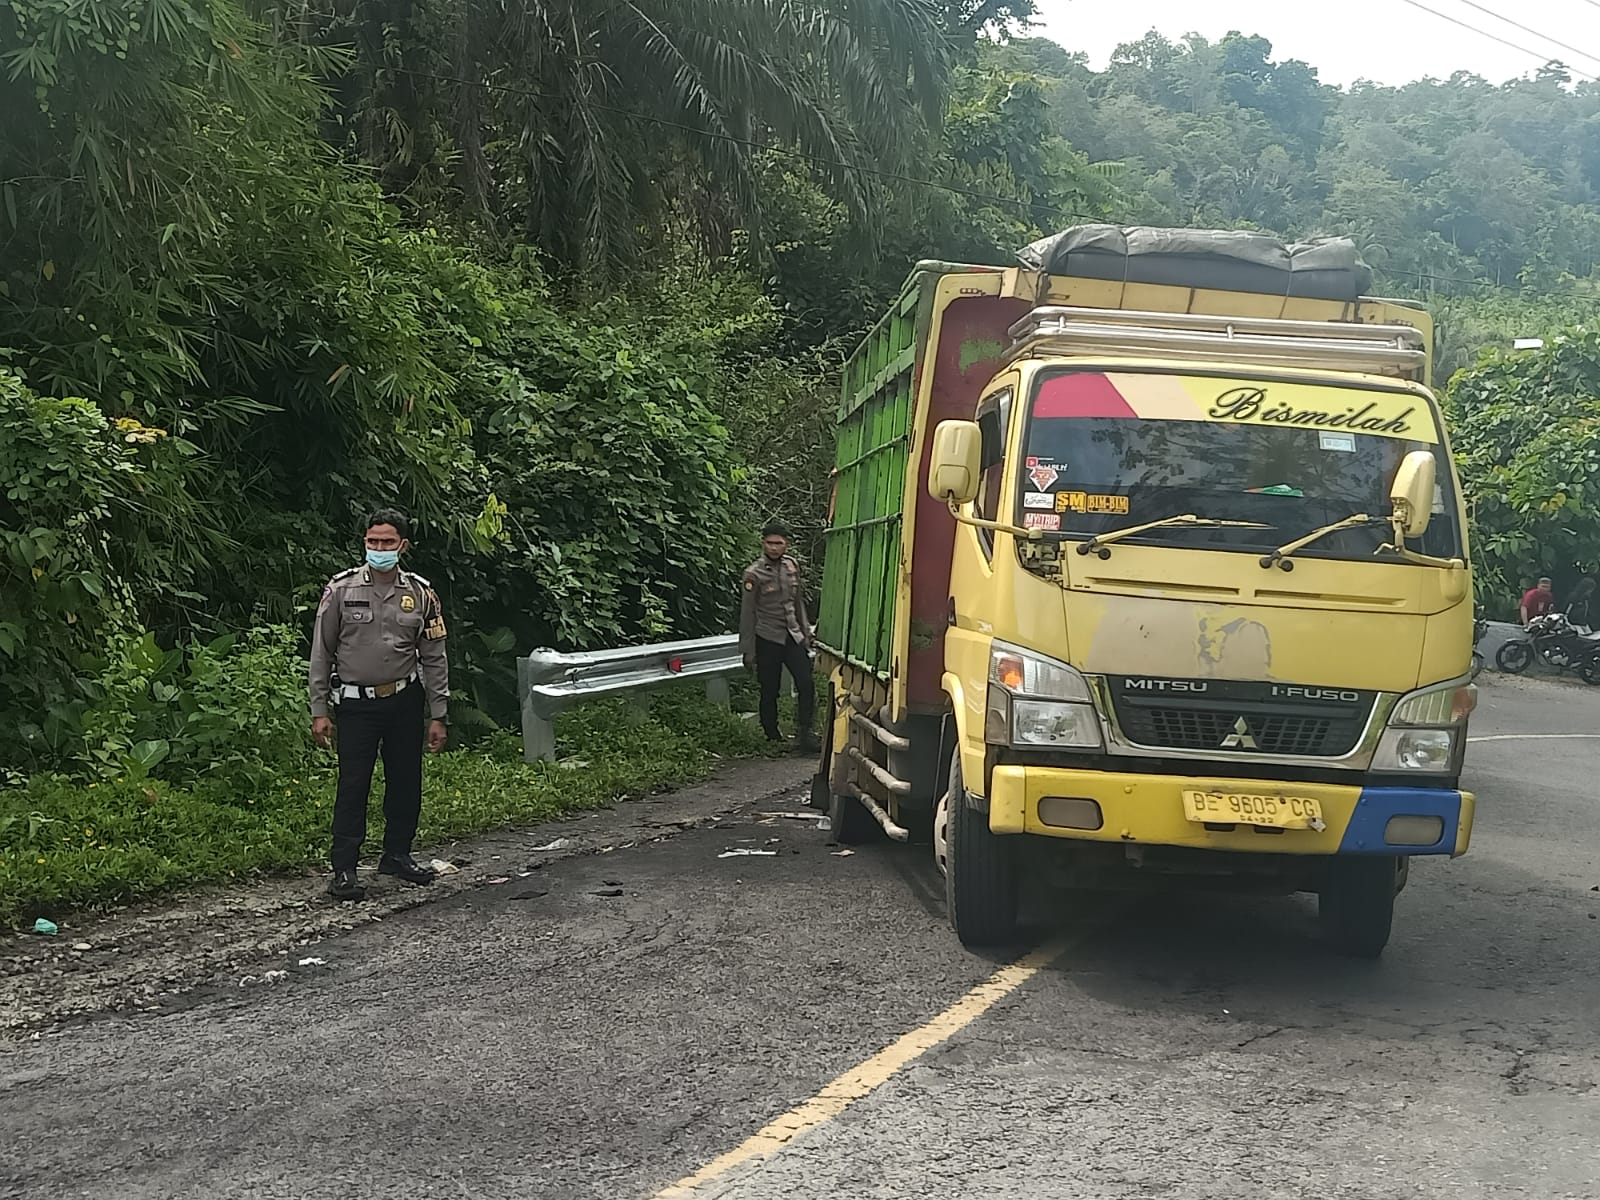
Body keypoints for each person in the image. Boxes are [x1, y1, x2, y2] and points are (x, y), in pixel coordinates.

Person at [309, 509, 450, 900]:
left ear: (402, 546)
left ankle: (397, 855)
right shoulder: (342, 590)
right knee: (354, 785)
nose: (380, 549)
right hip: (356, 704)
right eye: (373, 542)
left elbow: (435, 656)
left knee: (405, 781)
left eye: (388, 543)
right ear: (365, 543)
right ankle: (344, 870)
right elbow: (321, 652)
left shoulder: (421, 593)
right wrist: (319, 709)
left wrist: (439, 713)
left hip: (404, 700)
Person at [740, 522, 818, 752]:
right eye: (770, 543)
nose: (774, 548)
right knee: (769, 688)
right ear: (763, 543)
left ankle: (805, 732)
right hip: (767, 637)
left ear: (786, 545)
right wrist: (748, 650)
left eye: (779, 543)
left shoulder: (791, 567)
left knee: (806, 682)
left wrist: (806, 633)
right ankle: (771, 734)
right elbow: (748, 613)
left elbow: (797, 603)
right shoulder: (753, 574)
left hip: (792, 635)